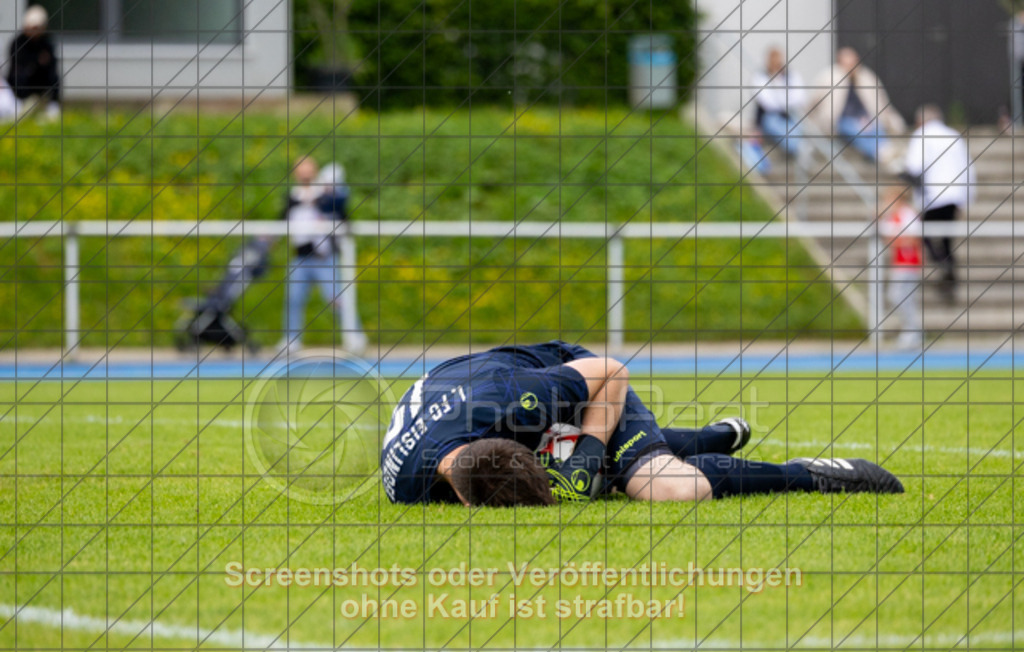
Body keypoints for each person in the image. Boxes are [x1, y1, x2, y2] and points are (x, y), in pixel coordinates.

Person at [380, 341, 904, 506]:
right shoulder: (406, 486)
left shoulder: (517, 402)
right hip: (505, 413)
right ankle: (710, 437)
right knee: (609, 470)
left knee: (663, 486)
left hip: (587, 380)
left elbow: (611, 372)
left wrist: (584, 452)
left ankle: (811, 473)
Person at [279, 156, 367, 353]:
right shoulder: (293, 195)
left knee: (337, 298)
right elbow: (283, 217)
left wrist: (319, 198)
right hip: (300, 258)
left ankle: (354, 335)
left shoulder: (328, 192)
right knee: (294, 298)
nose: (305, 172)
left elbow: (341, 207)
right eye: (301, 169)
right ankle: (291, 339)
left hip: (325, 258)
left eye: (308, 168)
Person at [901, 104, 975, 305]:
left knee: (922, 232)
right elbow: (968, 168)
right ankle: (948, 269)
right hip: (954, 197)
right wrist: (966, 199)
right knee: (946, 240)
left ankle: (942, 265)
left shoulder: (922, 135)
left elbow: (913, 167)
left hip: (933, 196)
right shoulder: (953, 135)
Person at [809, 47, 905, 162]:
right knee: (856, 130)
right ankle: (881, 153)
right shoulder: (828, 77)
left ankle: (884, 150)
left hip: (864, 117)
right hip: (840, 121)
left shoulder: (866, 77)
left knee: (875, 127)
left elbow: (880, 102)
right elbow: (813, 102)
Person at [880, 184, 924, 349]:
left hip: (909, 262)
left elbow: (912, 238)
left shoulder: (907, 214)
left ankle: (912, 332)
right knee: (897, 296)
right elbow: (888, 238)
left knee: (902, 296)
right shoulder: (892, 216)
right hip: (898, 262)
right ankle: (911, 331)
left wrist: (897, 239)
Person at [751, 47, 806, 161]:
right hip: (769, 117)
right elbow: (769, 104)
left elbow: (800, 97)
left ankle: (798, 149)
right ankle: (797, 149)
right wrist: (777, 83)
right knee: (777, 126)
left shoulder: (790, 76)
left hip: (788, 116)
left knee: (797, 125)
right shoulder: (760, 77)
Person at [6, 5, 60, 119]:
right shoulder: (18, 43)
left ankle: (52, 106)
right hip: (22, 82)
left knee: (54, 77)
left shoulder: (46, 42)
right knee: (19, 75)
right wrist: (36, 61)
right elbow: (18, 65)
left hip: (40, 78)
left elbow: (50, 63)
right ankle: (21, 104)